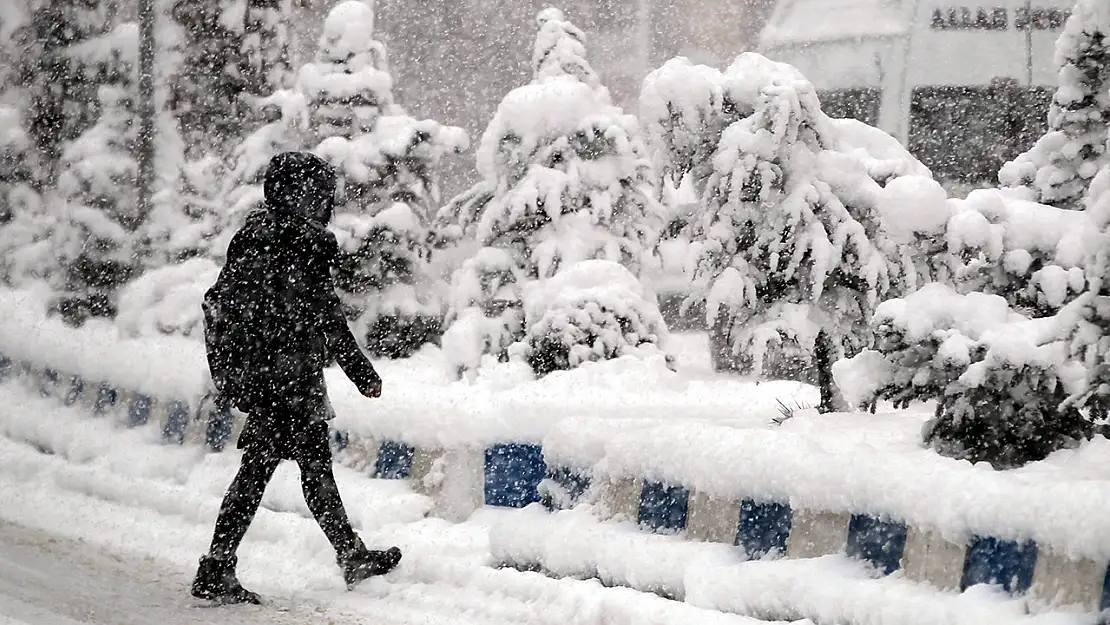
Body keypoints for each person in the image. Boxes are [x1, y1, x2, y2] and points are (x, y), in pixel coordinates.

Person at [192, 151, 402, 605]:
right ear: (296, 195)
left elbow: (236, 306)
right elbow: (327, 317)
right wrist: (363, 374)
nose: (324, 204)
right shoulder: (299, 245)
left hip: (270, 378)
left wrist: (244, 372)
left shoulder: (256, 237)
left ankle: (347, 554)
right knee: (276, 472)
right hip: (286, 381)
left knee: (298, 468)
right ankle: (218, 565)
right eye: (318, 195)